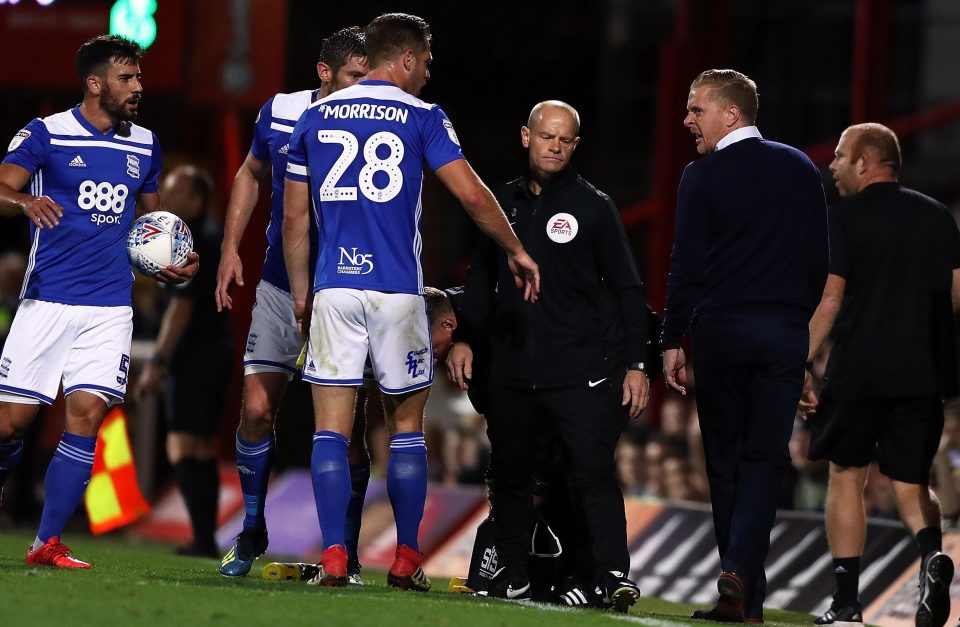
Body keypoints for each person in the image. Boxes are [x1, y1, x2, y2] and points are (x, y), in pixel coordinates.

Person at [283, 12, 539, 590]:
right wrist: (516, 249)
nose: (428, 71)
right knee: (404, 428)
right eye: (425, 60)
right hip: (398, 291)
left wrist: (302, 293)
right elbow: (472, 194)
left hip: (335, 289)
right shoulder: (423, 117)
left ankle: (333, 559)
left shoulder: (313, 116)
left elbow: (294, 218)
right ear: (404, 59)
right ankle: (404, 559)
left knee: (331, 430)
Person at [0, 35, 198, 568]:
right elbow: (1, 186)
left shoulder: (145, 144)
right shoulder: (47, 134)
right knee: (10, 425)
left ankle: (46, 543)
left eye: (138, 77)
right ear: (95, 84)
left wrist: (169, 264)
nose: (138, 87)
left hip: (110, 308)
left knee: (86, 414)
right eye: (126, 78)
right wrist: (23, 201)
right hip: (47, 300)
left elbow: (151, 229)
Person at [446, 100, 648, 612]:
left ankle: (614, 576)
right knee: (511, 474)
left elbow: (627, 288)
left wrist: (637, 363)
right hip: (512, 372)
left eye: (565, 139)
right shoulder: (496, 204)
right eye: (546, 136)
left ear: (575, 146)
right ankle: (514, 575)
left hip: (581, 373)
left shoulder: (593, 207)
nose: (555, 146)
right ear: (525, 137)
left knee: (593, 472)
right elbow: (479, 278)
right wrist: (466, 336)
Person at [660, 69, 828, 623]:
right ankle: (743, 592)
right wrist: (795, 331)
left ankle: (738, 581)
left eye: (696, 109)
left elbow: (686, 265)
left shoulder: (701, 175)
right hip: (782, 333)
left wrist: (672, 339)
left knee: (726, 463)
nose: (688, 120)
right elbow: (816, 264)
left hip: (722, 332)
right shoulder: (800, 167)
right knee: (765, 460)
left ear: (730, 114)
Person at [213, 26, 371, 580]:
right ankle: (253, 526)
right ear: (324, 73)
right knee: (257, 411)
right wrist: (231, 248)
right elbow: (251, 172)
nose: (363, 86)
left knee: (344, 430)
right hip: (281, 287)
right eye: (354, 76)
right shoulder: (280, 112)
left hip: (348, 292)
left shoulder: (380, 120)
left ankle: (345, 551)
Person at [800, 123, 958, 627]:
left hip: (859, 371)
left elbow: (830, 299)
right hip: (923, 373)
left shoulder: (842, 218)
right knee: (910, 481)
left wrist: (799, 361)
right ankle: (930, 554)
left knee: (847, 475)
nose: (834, 165)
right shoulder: (938, 217)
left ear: (866, 161)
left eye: (842, 156)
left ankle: (846, 602)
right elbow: (956, 296)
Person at [134, 165, 232, 558]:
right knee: (198, 445)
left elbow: (182, 307)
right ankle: (205, 537)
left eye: (173, 195)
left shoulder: (195, 242)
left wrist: (158, 361)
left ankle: (204, 538)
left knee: (182, 443)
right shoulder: (209, 236)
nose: (166, 202)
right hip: (213, 350)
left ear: (195, 200)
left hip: (196, 353)